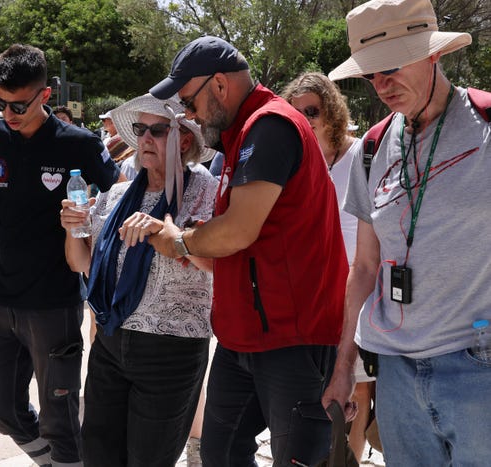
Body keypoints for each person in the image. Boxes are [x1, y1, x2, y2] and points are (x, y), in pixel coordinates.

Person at [147, 36, 348, 466]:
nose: (188, 116)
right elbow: (247, 238)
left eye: (188, 102)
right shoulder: (247, 133)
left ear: (219, 85)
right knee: (219, 455)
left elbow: (238, 231)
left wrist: (179, 241)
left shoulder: (270, 125)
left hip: (290, 340)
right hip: (245, 338)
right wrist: (206, 239)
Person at [322, 0, 491, 464]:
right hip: (395, 373)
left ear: (433, 54)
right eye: (369, 75)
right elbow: (365, 267)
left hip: (478, 365)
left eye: (390, 68)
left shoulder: (486, 126)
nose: (381, 85)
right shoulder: (373, 147)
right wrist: (344, 367)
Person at [0, 44, 121, 467]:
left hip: (55, 305)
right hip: (3, 300)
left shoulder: (77, 144)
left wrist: (89, 221)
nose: (8, 113)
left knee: (60, 422)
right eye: (0, 103)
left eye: (19, 104)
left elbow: (120, 200)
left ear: (45, 95)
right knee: (5, 414)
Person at [61, 94, 217, 466]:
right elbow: (81, 263)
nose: (145, 138)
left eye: (157, 130)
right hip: (111, 343)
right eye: (140, 129)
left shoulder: (206, 192)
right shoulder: (116, 195)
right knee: (98, 455)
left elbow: (216, 263)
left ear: (183, 140)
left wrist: (168, 234)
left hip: (172, 350)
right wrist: (71, 229)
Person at [282, 72, 376, 461]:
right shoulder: (292, 162)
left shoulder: (360, 155)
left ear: (332, 111)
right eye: (296, 112)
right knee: (316, 392)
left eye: (313, 110)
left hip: (356, 290)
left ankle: (345, 459)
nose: (306, 118)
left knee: (356, 390)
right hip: (310, 296)